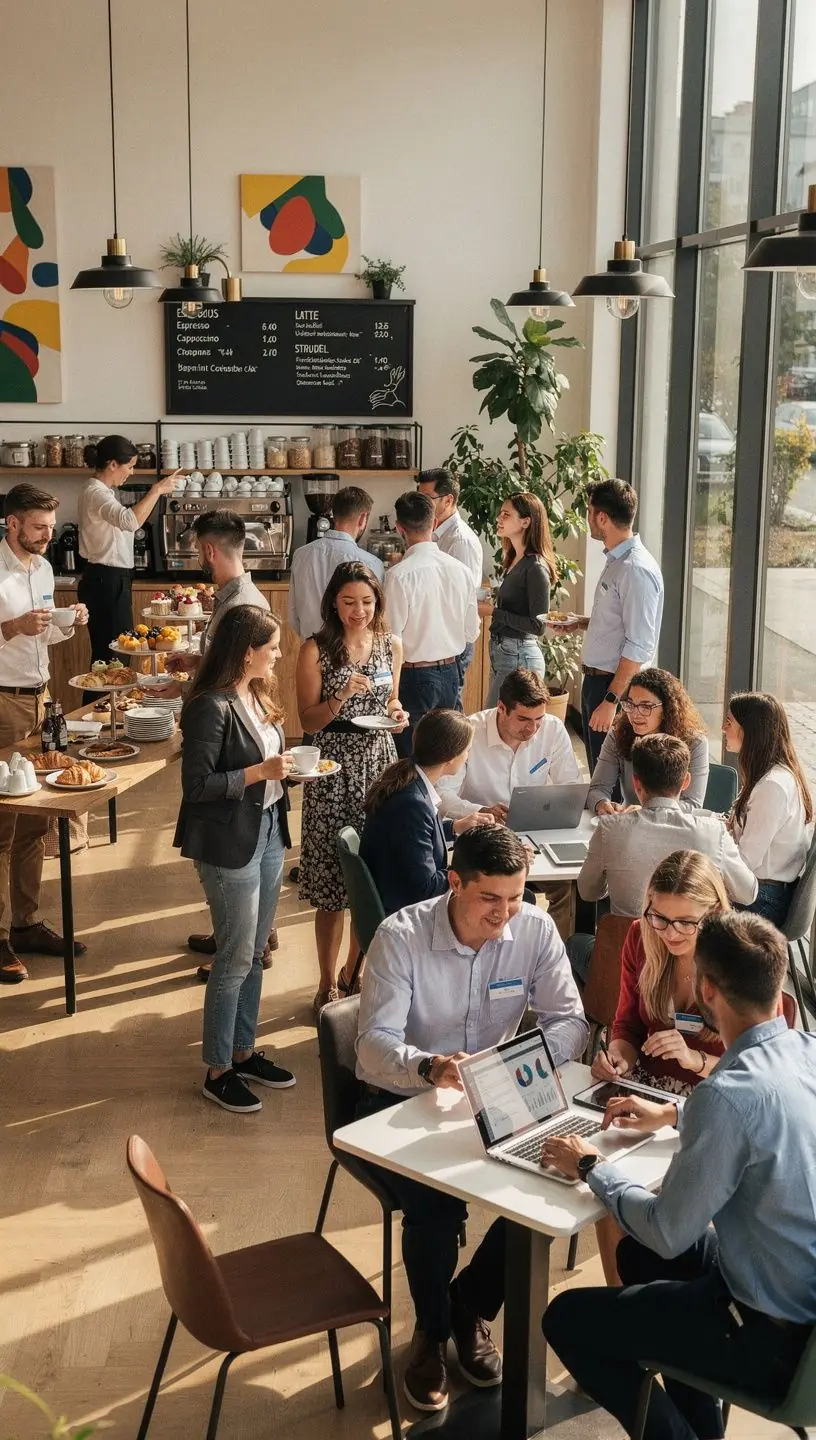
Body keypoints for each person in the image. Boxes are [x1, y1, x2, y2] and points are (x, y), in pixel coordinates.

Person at [541, 911, 816, 1440]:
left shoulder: (728, 1097)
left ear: (705, 988)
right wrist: (673, 1113)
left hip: (771, 1341)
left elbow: (671, 1229)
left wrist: (592, 1167)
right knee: (635, 1255)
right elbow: (764, 1118)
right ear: (777, 983)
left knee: (567, 1319)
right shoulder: (803, 1052)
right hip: (801, 1304)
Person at [356, 826, 588, 1414]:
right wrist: (432, 1067)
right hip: (402, 1099)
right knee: (436, 1210)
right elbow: (372, 1048)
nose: (506, 915)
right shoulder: (400, 937)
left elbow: (570, 1022)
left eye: (516, 898)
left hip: (497, 1093)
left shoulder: (533, 930)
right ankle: (433, 1333)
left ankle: (471, 1307)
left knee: (549, 1187)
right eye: (491, 899)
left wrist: (515, 1065)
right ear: (454, 883)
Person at [174, 605, 296, 1114]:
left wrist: (282, 772)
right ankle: (217, 1069)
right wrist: (258, 772)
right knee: (233, 956)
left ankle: (243, 1051)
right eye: (271, 647)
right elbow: (196, 786)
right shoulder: (210, 705)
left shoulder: (255, 692)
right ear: (247, 650)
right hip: (228, 843)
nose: (278, 655)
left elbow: (266, 767)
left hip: (266, 831)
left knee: (255, 952)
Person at [589, 850, 730, 1285]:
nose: (671, 933)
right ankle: (620, 1300)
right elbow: (627, 1024)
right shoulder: (640, 937)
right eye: (660, 917)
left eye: (687, 922)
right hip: (645, 1089)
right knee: (604, 1179)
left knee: (660, 1204)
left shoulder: (736, 957)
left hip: (709, 1099)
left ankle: (650, 1301)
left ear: (714, 913)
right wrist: (618, 1056)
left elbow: (758, 1065)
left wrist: (696, 1059)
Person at [163, 510, 274, 975]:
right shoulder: (236, 595)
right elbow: (224, 664)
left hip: (228, 740)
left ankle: (243, 944)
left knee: (229, 841)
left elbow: (234, 679)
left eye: (198, 551)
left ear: (209, 549)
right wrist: (194, 662)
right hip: (230, 730)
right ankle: (239, 933)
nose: (199, 560)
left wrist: (194, 689)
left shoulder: (239, 603)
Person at [296, 560, 409, 1015]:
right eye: (348, 602)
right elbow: (306, 720)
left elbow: (392, 701)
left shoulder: (391, 645)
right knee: (332, 885)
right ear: (333, 604)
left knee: (372, 881)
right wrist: (340, 696)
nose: (358, 610)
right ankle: (326, 984)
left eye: (366, 601)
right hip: (332, 766)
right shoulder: (315, 649)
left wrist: (398, 715)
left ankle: (354, 973)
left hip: (380, 763)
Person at [569, 734, 757, 985]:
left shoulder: (610, 829)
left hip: (626, 969)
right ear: (686, 781)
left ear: (636, 783)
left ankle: (600, 1015)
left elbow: (587, 891)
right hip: (692, 978)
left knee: (573, 945)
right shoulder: (713, 832)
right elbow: (748, 893)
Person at [0, 484, 89, 984]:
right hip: (2, 700)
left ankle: (26, 923)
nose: (48, 536)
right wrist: (10, 628)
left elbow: (47, 634)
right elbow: (14, 631)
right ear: (12, 523)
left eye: (51, 528)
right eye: (39, 528)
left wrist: (68, 623)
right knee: (1, 825)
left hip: (39, 696)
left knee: (36, 821)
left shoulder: (45, 568)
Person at [437, 667, 582, 938]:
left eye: (539, 718)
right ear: (501, 708)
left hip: (537, 838)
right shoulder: (471, 731)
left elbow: (571, 787)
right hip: (482, 842)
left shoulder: (552, 729)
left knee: (571, 889)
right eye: (524, 719)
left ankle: (551, 960)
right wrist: (480, 811)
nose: (533, 728)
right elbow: (443, 796)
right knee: (507, 895)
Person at [568, 477, 664, 772]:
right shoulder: (617, 561)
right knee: (599, 773)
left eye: (589, 511)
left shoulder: (635, 569)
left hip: (614, 687)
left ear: (602, 517)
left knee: (611, 780)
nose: (588, 518)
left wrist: (611, 699)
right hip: (597, 682)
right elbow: (620, 623)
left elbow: (639, 644)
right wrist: (582, 623)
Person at [360, 709, 491, 915]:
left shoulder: (407, 779)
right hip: (407, 913)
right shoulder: (413, 804)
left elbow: (411, 838)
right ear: (450, 757)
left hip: (396, 897)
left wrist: (456, 827)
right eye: (467, 750)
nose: (467, 757)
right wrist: (477, 868)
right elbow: (426, 888)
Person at [385, 491, 479, 756]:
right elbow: (472, 631)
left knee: (410, 756)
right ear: (435, 523)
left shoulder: (397, 575)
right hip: (451, 672)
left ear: (398, 528)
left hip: (412, 676)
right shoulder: (460, 571)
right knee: (446, 755)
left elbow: (391, 640)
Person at [77, 435, 177, 667]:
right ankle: (102, 704)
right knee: (113, 657)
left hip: (107, 580)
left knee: (113, 656)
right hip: (106, 581)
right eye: (129, 466)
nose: (131, 472)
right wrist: (156, 490)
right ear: (113, 464)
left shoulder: (100, 491)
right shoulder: (97, 493)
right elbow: (130, 521)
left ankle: (106, 704)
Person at [723, 691, 813, 927]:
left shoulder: (772, 787)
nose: (723, 728)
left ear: (750, 731)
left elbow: (744, 863)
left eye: (729, 722)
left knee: (683, 903)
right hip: (765, 891)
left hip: (763, 900)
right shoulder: (770, 776)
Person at [588, 668, 709, 815]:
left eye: (646, 707)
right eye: (630, 704)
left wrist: (649, 811)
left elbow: (693, 805)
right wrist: (601, 803)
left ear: (667, 709)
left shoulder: (695, 743)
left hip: (674, 829)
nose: (635, 714)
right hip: (631, 826)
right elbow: (597, 789)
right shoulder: (618, 734)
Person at [417, 468, 483, 705]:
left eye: (427, 497)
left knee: (450, 710)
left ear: (449, 499)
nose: (421, 502)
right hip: (438, 637)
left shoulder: (459, 540)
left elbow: (462, 598)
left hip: (453, 639)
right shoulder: (435, 533)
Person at [288, 485, 384, 641]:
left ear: (333, 515)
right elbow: (375, 619)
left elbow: (293, 616)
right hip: (353, 652)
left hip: (311, 648)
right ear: (362, 518)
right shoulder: (372, 564)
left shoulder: (300, 555)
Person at [487, 492, 556, 706]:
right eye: (500, 513)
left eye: (506, 514)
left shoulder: (535, 567)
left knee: (491, 721)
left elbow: (538, 625)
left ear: (525, 521)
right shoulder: (514, 559)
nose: (499, 518)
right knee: (495, 725)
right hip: (504, 652)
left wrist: (492, 612)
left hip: (519, 655)